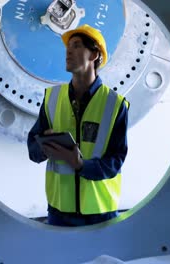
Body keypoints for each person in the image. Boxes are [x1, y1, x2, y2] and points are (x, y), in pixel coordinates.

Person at [27, 24, 129, 227]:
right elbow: (33, 151)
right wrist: (44, 147)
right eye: (67, 47)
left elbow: (116, 161)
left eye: (76, 46)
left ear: (94, 55)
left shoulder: (115, 104)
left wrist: (81, 165)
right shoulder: (52, 98)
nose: (68, 51)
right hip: (59, 212)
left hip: (101, 212)